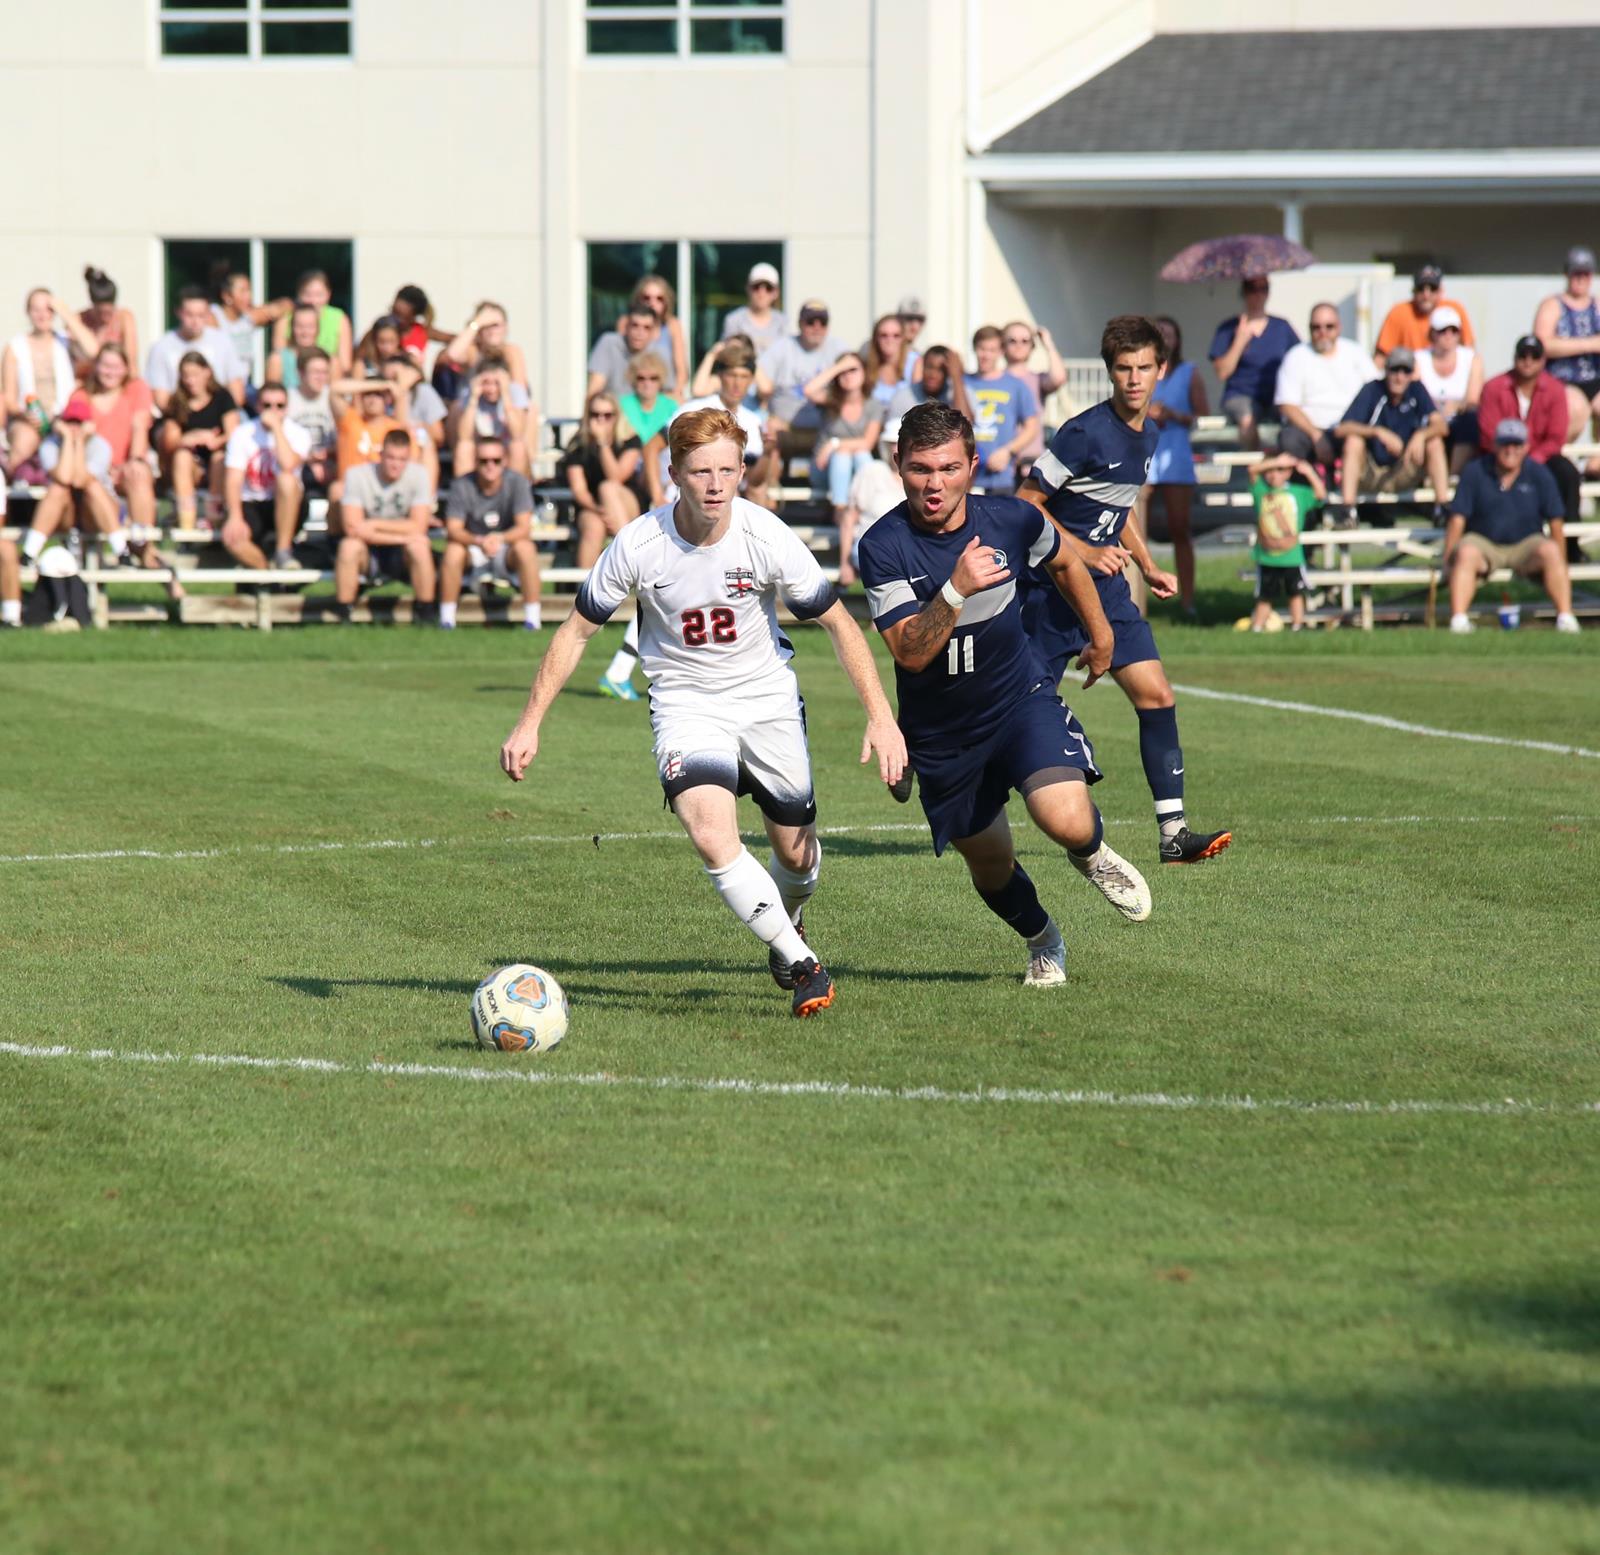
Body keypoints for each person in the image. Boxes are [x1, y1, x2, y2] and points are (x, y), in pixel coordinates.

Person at [499, 406, 908, 1019]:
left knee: (796, 858)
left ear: (742, 469)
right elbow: (576, 631)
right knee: (712, 834)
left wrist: (880, 714)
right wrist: (530, 722)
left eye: (726, 470)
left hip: (766, 700)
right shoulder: (639, 543)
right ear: (674, 474)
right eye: (699, 472)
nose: (715, 485)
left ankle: (788, 920)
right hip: (685, 703)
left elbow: (838, 623)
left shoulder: (767, 536)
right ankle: (802, 962)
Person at [858, 401, 1152, 987]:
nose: (934, 484)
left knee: (1066, 820)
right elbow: (910, 653)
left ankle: (1091, 853)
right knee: (991, 865)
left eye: (948, 468)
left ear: (972, 466)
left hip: (1019, 698)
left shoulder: (1012, 519)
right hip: (942, 731)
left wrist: (1100, 634)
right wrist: (955, 589)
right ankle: (1043, 940)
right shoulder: (882, 545)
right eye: (920, 469)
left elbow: (1067, 563)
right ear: (898, 465)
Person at [1017, 314, 1232, 866]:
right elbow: (1026, 504)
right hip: (1052, 591)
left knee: (1157, 695)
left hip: (1110, 591)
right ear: (1110, 372)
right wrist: (1083, 551)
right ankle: (933, 757)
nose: (1134, 379)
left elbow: (1120, 506)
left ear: (1161, 369)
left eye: (1143, 368)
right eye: (1123, 369)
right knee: (1013, 708)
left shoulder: (1150, 433)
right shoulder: (1084, 432)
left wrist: (1148, 563)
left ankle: (1173, 834)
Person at [1445, 419, 1580, 635]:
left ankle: (1565, 617)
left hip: (1527, 543)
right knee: (1466, 552)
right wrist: (1448, 560)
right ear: (1494, 445)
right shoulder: (1475, 471)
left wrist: (1561, 559)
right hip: (1484, 542)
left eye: (1516, 444)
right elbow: (1457, 519)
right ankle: (1458, 620)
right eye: (1505, 444)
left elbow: (1556, 522)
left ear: (1526, 447)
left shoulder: (1539, 473)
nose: (1510, 450)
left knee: (1551, 551)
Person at [1478, 335, 1585, 558]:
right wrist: (1512, 457)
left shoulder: (1555, 389)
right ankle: (1480, 537)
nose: (1528, 361)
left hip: (1541, 457)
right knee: (1475, 474)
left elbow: (1556, 437)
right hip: (1500, 456)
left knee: (1567, 473)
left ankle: (1570, 546)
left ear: (1543, 360)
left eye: (1534, 356)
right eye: (1523, 355)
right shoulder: (1493, 388)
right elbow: (1488, 434)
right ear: (1514, 357)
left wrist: (1531, 460)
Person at [439, 434, 542, 631]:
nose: (490, 466)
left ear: (505, 461)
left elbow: (523, 528)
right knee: (453, 551)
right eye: (484, 461)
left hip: (506, 547)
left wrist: (499, 538)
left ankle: (533, 619)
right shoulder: (461, 485)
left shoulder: (518, 482)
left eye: (496, 460)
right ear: (475, 462)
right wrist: (479, 541)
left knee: (526, 548)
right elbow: (453, 529)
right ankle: (446, 619)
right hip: (473, 547)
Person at [1143, 315, 1208, 617]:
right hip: (1144, 451)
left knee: (1180, 527)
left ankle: (1188, 599)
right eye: (1159, 334)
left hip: (1176, 450)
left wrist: (1173, 415)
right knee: (1132, 527)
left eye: (1169, 334)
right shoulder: (1142, 370)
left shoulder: (1188, 372)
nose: (1165, 339)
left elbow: (1203, 415)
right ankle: (1133, 599)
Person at [1332, 348, 1449, 515]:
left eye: (1406, 371)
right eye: (1395, 370)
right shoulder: (1372, 389)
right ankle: (1347, 511)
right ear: (1386, 370)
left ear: (1411, 374)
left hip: (1405, 468)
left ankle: (1442, 508)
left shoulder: (1417, 390)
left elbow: (1442, 426)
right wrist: (1377, 432)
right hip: (1372, 472)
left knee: (1434, 442)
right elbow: (1341, 429)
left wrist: (1421, 435)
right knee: (1353, 442)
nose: (1399, 377)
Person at [335, 428, 436, 619]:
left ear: (409, 458)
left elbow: (419, 526)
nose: (396, 464)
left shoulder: (419, 475)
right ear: (380, 454)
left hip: (401, 551)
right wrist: (402, 536)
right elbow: (353, 528)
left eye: (402, 459)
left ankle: (426, 611)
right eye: (391, 457)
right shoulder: (356, 475)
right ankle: (344, 613)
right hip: (369, 550)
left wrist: (373, 524)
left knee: (420, 547)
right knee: (349, 547)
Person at [1274, 302, 1376, 467]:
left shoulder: (1356, 353)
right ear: (1309, 328)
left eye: (1329, 327)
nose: (1323, 332)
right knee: (1289, 440)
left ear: (1339, 327)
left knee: (1359, 441)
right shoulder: (1296, 356)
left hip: (1349, 429)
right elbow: (1287, 405)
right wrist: (1316, 435)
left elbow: (1375, 392)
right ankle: (1308, 482)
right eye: (1316, 327)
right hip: (1309, 431)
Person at [221, 382, 309, 569]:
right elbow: (233, 480)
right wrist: (235, 516)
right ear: (258, 406)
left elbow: (288, 465)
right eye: (267, 405)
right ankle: (267, 572)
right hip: (251, 504)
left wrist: (277, 429)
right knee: (233, 539)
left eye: (280, 406)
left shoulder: (298, 433)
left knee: (287, 480)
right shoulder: (243, 433)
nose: (273, 411)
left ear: (287, 407)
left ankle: (283, 552)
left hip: (287, 505)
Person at [1208, 276, 1299, 453]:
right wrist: (1239, 342)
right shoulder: (1228, 328)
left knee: (1295, 417)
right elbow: (1222, 373)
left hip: (1276, 395)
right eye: (1252, 289)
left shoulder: (1282, 327)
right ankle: (1252, 466)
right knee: (1247, 419)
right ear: (1243, 292)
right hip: (1241, 394)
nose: (1258, 295)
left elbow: (1299, 362)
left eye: (1263, 289)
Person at [562, 391, 647, 569]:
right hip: (593, 506)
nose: (601, 420)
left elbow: (616, 477)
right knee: (593, 527)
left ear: (616, 417)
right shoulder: (578, 446)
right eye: (595, 414)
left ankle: (631, 559)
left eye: (607, 415)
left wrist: (602, 444)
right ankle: (586, 584)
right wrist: (599, 510)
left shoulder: (630, 440)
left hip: (626, 502)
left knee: (607, 488)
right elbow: (579, 490)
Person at [156, 350, 239, 527]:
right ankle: (186, 520)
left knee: (218, 459)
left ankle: (214, 519)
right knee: (182, 457)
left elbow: (233, 433)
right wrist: (190, 438)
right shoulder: (177, 402)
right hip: (190, 465)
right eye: (186, 375)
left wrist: (213, 441)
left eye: (195, 374)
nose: (190, 380)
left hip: (218, 461)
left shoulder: (222, 397)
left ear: (207, 372)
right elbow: (169, 441)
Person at [3, 288, 79, 476]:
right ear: (28, 312)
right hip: (29, 420)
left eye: (47, 309)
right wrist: (26, 414)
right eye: (36, 309)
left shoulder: (65, 342)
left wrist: (66, 314)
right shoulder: (15, 347)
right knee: (24, 440)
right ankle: (8, 484)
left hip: (63, 417)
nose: (42, 315)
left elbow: (95, 352)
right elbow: (9, 399)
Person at [1247, 451, 1325, 632]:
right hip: (1267, 556)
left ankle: (1297, 625)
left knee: (1295, 593)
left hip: (1292, 557)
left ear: (1289, 472)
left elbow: (1320, 495)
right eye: (1270, 470)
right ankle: (1257, 627)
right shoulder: (1261, 491)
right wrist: (1276, 462)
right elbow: (1252, 470)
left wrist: (1309, 472)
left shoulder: (1297, 493)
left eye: (1280, 470)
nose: (1274, 474)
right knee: (1265, 596)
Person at [805, 352, 883, 523]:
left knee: (860, 454)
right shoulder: (830, 400)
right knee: (843, 456)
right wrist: (838, 367)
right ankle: (840, 510)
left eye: (853, 369)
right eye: (843, 372)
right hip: (823, 468)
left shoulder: (873, 405)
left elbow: (868, 443)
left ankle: (865, 509)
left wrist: (834, 444)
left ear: (864, 373)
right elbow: (809, 390)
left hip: (856, 466)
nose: (848, 375)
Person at [758, 300, 849, 445]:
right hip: (784, 429)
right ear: (800, 324)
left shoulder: (839, 349)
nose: (817, 328)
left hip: (825, 431)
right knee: (768, 438)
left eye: (823, 322)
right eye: (810, 322)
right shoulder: (782, 346)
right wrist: (765, 415)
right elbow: (760, 380)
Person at [1533, 245, 1600, 442]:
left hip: (1595, 378)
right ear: (1567, 274)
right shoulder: (1552, 305)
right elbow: (1542, 345)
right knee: (1575, 410)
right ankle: (1559, 457)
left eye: (1585, 274)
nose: (1580, 279)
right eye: (1576, 273)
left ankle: (1595, 459)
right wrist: (1589, 344)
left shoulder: (1597, 305)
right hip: (1563, 379)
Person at [145, 286, 246, 416]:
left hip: (220, 416)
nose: (195, 321)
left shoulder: (223, 342)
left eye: (201, 315)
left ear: (209, 314)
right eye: (190, 315)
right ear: (178, 312)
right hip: (179, 417)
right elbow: (161, 399)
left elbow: (237, 392)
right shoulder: (161, 347)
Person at [964, 325, 1040, 495]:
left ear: (1001, 352)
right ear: (974, 349)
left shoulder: (1015, 385)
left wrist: (1007, 451)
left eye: (991, 350)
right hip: (966, 477)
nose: (986, 355)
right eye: (982, 349)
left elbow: (1031, 427)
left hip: (1000, 477)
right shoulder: (963, 383)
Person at [1413, 306, 1482, 475]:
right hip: (1429, 417)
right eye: (1442, 331)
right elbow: (1415, 394)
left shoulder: (1471, 359)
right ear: (1432, 334)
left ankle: (1453, 475)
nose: (1448, 335)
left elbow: (1473, 400)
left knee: (1470, 421)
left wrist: (1455, 406)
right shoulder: (1419, 359)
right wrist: (1435, 412)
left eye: (1454, 330)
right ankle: (1429, 475)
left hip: (1459, 417)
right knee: (1429, 432)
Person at [837, 430, 904, 588]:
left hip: (904, 548)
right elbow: (849, 518)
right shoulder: (872, 471)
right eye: (892, 443)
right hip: (872, 546)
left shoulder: (921, 477)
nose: (896, 448)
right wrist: (844, 563)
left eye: (900, 443)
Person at [1375, 264, 1476, 367]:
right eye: (1421, 288)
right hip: (1410, 372)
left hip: (1448, 370)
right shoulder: (1399, 312)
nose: (1426, 295)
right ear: (1413, 290)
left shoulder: (1453, 310)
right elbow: (1381, 356)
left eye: (1432, 288)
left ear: (1441, 291)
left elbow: (1469, 350)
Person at [1000, 321, 1066, 479]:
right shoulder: (995, 379)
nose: (1019, 345)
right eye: (1012, 340)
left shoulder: (1037, 379)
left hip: (1029, 462)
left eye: (1025, 341)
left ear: (1032, 346)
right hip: (1000, 463)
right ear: (1003, 345)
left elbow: (1059, 378)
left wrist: (1048, 344)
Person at [211, 271, 292, 386]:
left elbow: (286, 305)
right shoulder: (213, 316)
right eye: (243, 291)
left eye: (249, 290)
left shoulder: (248, 318)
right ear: (227, 296)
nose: (249, 296)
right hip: (220, 386)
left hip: (244, 385)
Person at [451, 357, 528, 477]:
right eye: (486, 383)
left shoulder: (515, 392)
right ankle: (465, 486)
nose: (491, 389)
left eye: (496, 383)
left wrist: (506, 394)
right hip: (481, 449)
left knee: (517, 446)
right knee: (464, 447)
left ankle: (515, 485)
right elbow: (464, 436)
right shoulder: (470, 393)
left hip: (505, 449)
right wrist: (473, 398)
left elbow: (517, 434)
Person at [268, 270, 352, 375]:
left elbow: (345, 365)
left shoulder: (339, 318)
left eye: (319, 295)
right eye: (307, 295)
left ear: (328, 294)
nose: (313, 301)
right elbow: (279, 359)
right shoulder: (285, 318)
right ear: (299, 295)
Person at [286, 346, 339, 502]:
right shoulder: (287, 399)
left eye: (324, 372)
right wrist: (308, 458)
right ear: (301, 373)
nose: (320, 378)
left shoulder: (334, 398)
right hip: (296, 463)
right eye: (315, 372)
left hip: (329, 461)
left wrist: (326, 454)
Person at [621, 275, 689, 397]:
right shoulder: (627, 323)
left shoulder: (672, 325)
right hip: (633, 394)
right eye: (646, 298)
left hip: (666, 393)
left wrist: (675, 395)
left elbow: (681, 369)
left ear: (666, 302)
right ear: (638, 299)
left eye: (659, 299)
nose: (652, 303)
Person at [74, 268, 139, 384]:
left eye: (109, 312)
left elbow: (131, 362)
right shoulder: (79, 320)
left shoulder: (124, 318)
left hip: (118, 382)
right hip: (88, 382)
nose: (105, 318)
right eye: (100, 313)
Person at [587, 306, 660, 402]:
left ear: (654, 332)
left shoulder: (658, 353)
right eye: (635, 326)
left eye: (646, 328)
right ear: (626, 326)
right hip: (612, 408)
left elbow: (670, 394)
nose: (640, 333)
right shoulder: (609, 343)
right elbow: (594, 390)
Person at [885, 344, 973, 424]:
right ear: (922, 367)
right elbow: (893, 432)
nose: (933, 375)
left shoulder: (959, 394)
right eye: (929, 367)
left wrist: (956, 377)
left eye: (940, 370)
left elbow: (966, 426)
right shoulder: (904, 396)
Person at [721, 263, 787, 355]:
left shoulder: (783, 322)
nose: (762, 293)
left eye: (768, 288)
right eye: (756, 287)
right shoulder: (733, 321)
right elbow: (727, 356)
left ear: (776, 292)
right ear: (747, 288)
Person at [618, 351, 677, 446]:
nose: (647, 383)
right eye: (641, 378)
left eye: (653, 378)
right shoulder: (622, 405)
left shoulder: (671, 406)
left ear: (661, 379)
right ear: (633, 379)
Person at [265, 303, 321, 392]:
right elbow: (271, 395)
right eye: (300, 326)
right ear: (291, 328)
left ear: (318, 328)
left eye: (310, 326)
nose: (305, 332)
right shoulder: (278, 360)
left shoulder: (329, 361)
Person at [863, 314, 913, 408]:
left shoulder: (914, 362)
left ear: (903, 338)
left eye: (896, 336)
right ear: (875, 338)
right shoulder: (866, 366)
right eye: (884, 335)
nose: (890, 340)